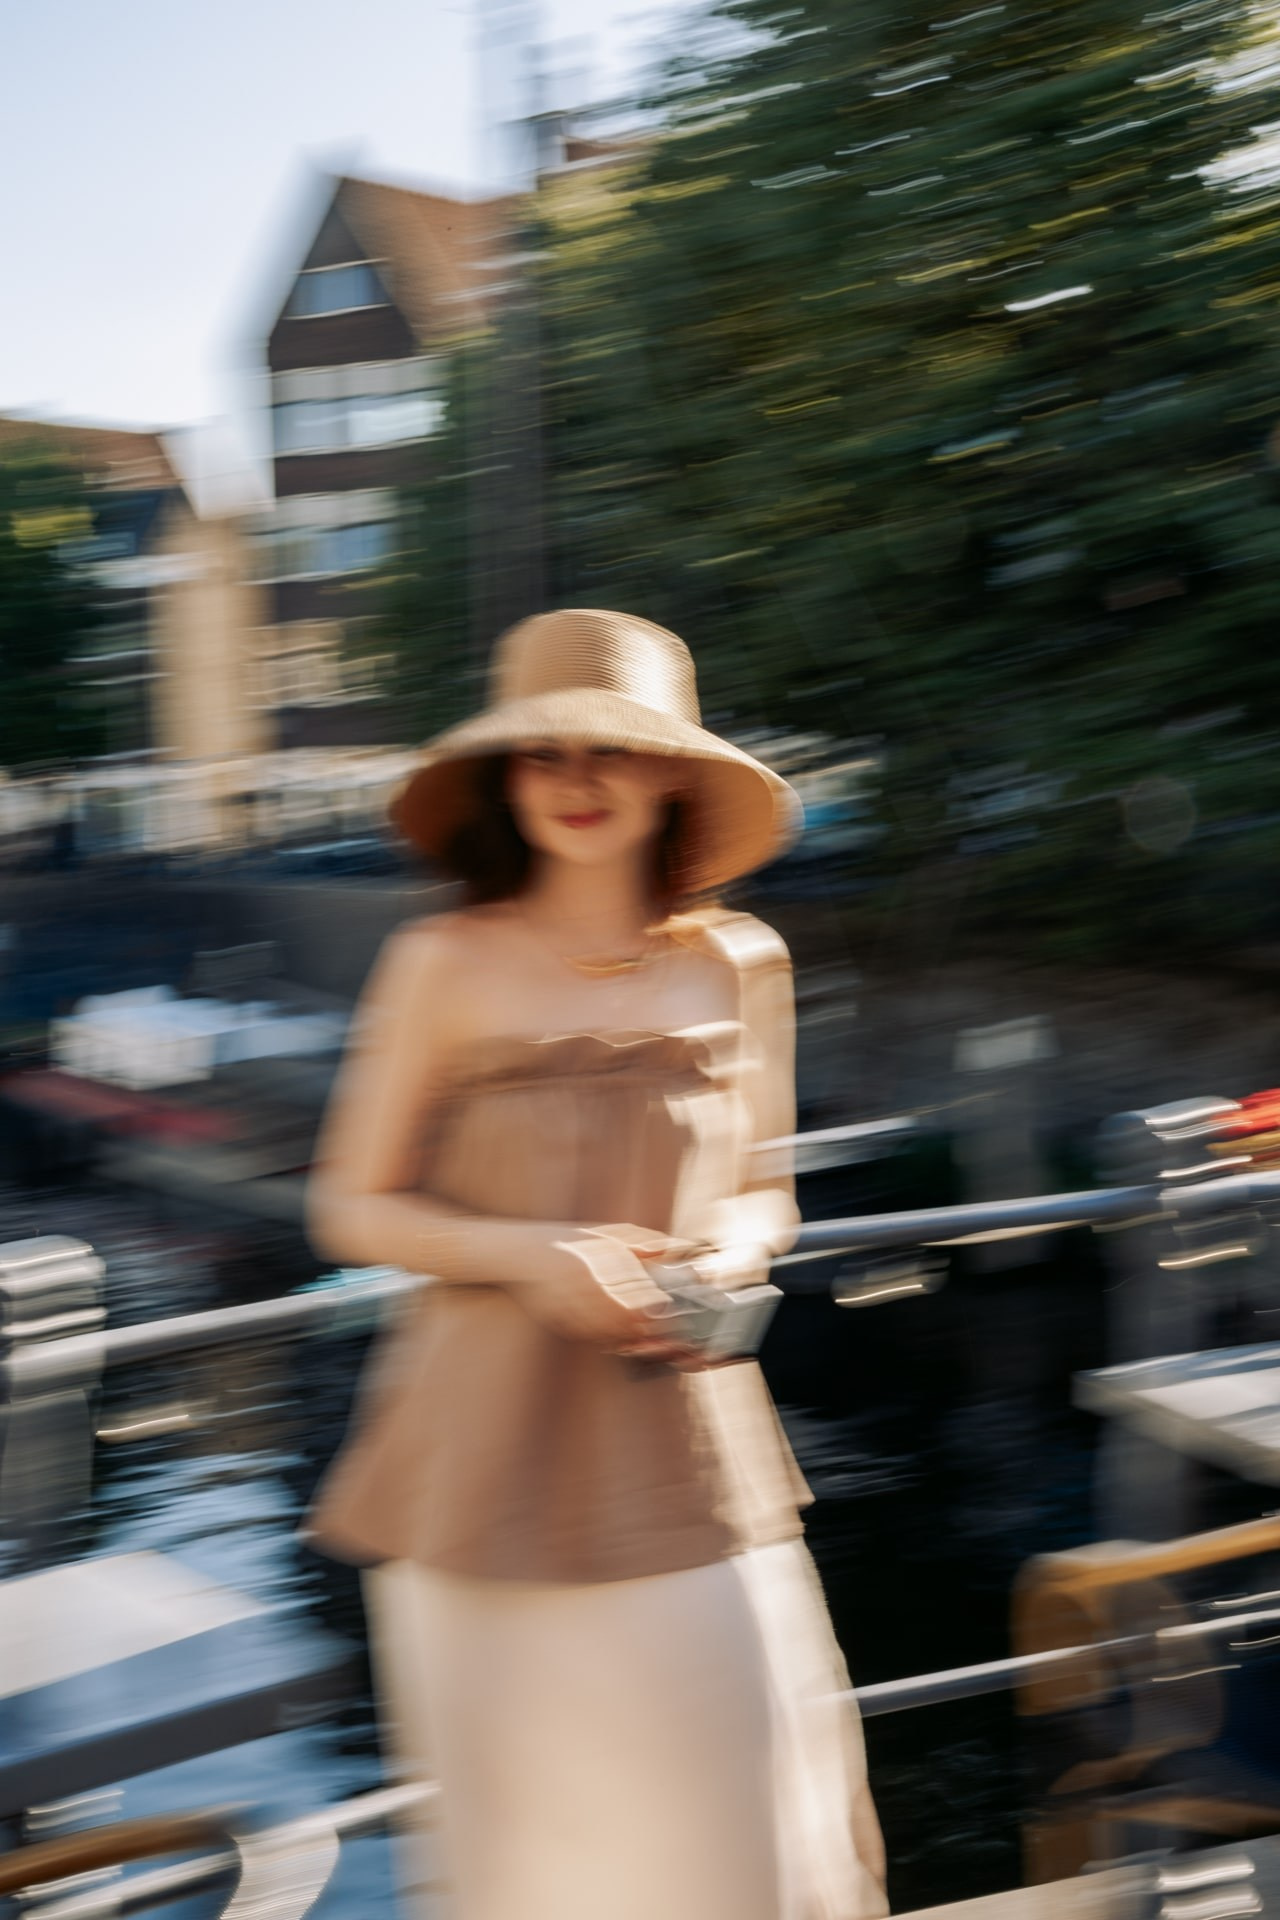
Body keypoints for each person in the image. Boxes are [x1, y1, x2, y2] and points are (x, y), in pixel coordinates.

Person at [304, 609, 887, 1920]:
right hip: (477, 1462)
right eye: (543, 754)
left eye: (611, 752)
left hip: (686, 1439)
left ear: (673, 772)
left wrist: (728, 1256)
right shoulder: (438, 961)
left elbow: (763, 1186)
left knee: (754, 1827)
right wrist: (532, 1257)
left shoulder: (745, 963)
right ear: (505, 781)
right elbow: (349, 1206)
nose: (576, 781)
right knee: (533, 1863)